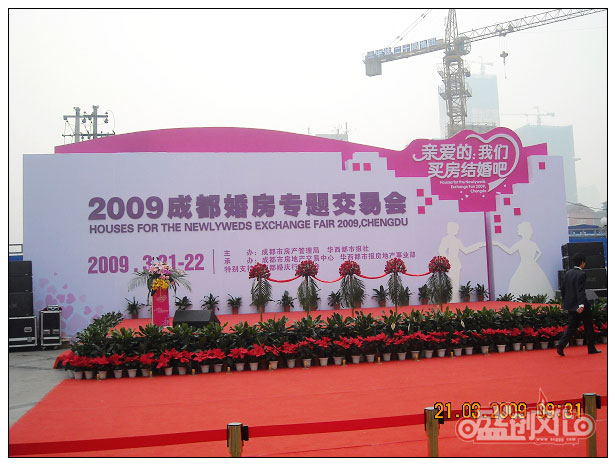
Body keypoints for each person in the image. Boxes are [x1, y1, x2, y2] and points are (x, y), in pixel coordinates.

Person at [556, 253, 601, 356]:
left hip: (571, 305)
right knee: (588, 326)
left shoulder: (568, 273)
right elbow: (580, 291)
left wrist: (566, 303)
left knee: (571, 327)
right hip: (582, 305)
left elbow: (563, 289)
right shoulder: (582, 274)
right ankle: (591, 348)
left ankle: (561, 345)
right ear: (582, 263)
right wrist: (581, 305)